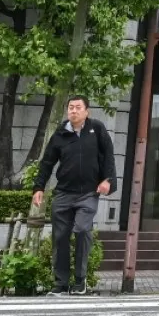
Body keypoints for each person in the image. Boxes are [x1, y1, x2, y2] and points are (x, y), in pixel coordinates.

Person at [32, 95, 116, 296]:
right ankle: (60, 283)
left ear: (87, 111)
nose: (74, 111)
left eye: (78, 107)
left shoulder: (97, 129)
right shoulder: (60, 134)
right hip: (63, 194)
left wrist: (108, 180)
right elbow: (47, 163)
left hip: (88, 193)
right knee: (60, 237)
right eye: (70, 107)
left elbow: (109, 155)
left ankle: (80, 280)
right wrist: (38, 188)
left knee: (82, 229)